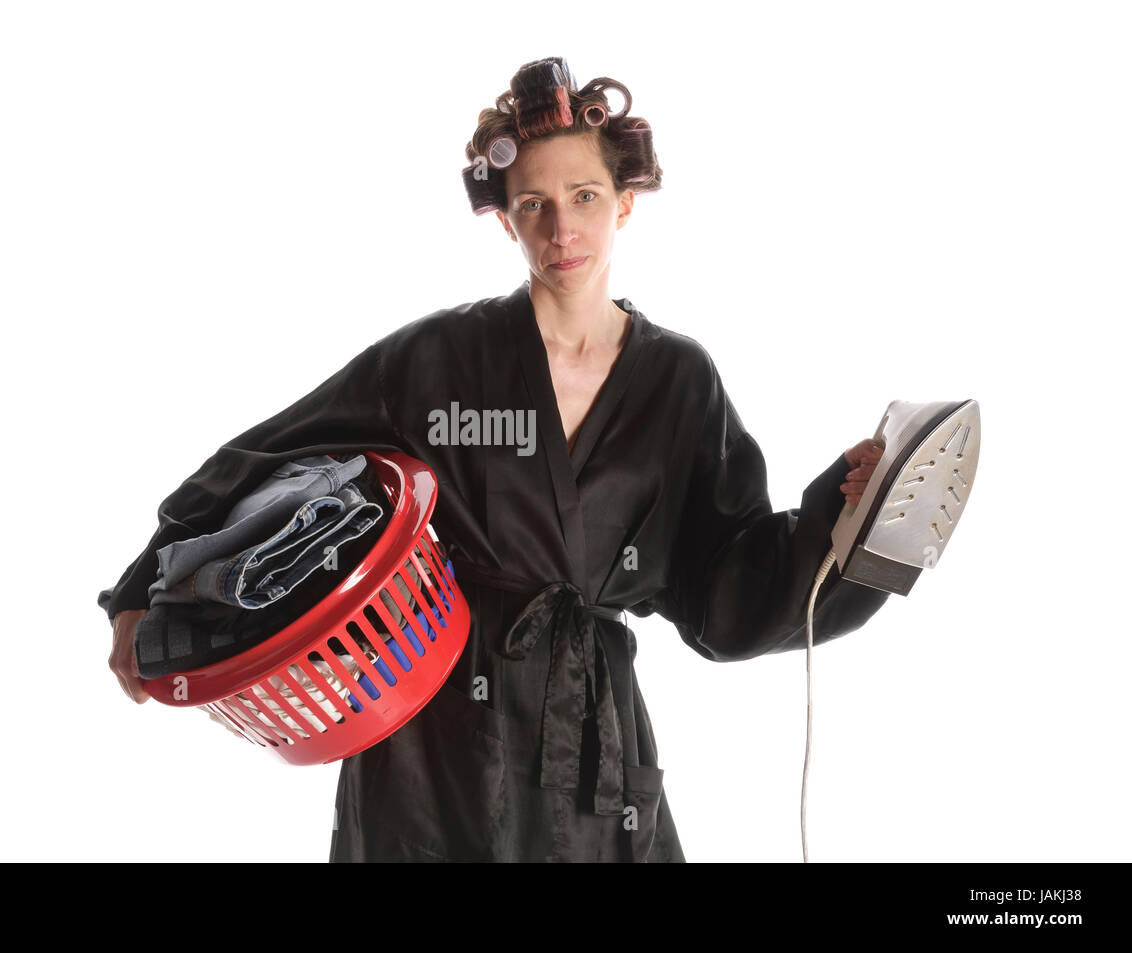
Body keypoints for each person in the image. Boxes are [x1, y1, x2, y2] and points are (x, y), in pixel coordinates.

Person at [101, 56, 890, 862]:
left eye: (584, 198)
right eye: (534, 205)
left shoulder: (678, 380)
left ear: (624, 203)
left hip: (589, 737)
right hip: (431, 724)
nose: (562, 231)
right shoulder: (442, 357)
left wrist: (842, 521)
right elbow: (273, 453)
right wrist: (141, 588)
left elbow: (725, 581)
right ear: (507, 219)